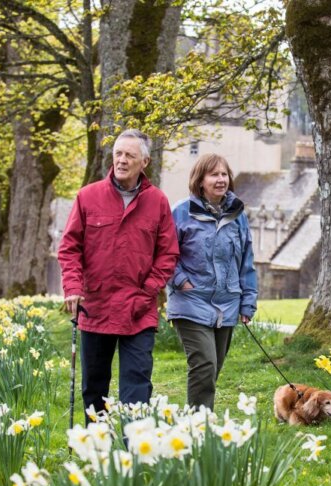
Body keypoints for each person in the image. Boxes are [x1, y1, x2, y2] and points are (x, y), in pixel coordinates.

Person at [58, 129, 179, 423]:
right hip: (95, 307)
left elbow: (168, 254)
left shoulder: (158, 202)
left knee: (137, 388)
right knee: (94, 388)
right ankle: (96, 452)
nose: (122, 161)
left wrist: (148, 290)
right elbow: (69, 247)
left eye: (129, 156)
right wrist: (73, 287)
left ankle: (134, 454)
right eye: (118, 154)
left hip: (138, 310)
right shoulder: (88, 197)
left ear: (145, 162)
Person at [166, 153, 257, 410]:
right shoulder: (181, 212)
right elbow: (164, 254)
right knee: (204, 364)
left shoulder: (238, 214)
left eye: (224, 174)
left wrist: (247, 302)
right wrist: (180, 281)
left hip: (227, 304)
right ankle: (199, 428)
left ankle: (198, 423)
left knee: (213, 368)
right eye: (214, 174)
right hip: (191, 301)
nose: (220, 179)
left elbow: (246, 261)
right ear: (200, 180)